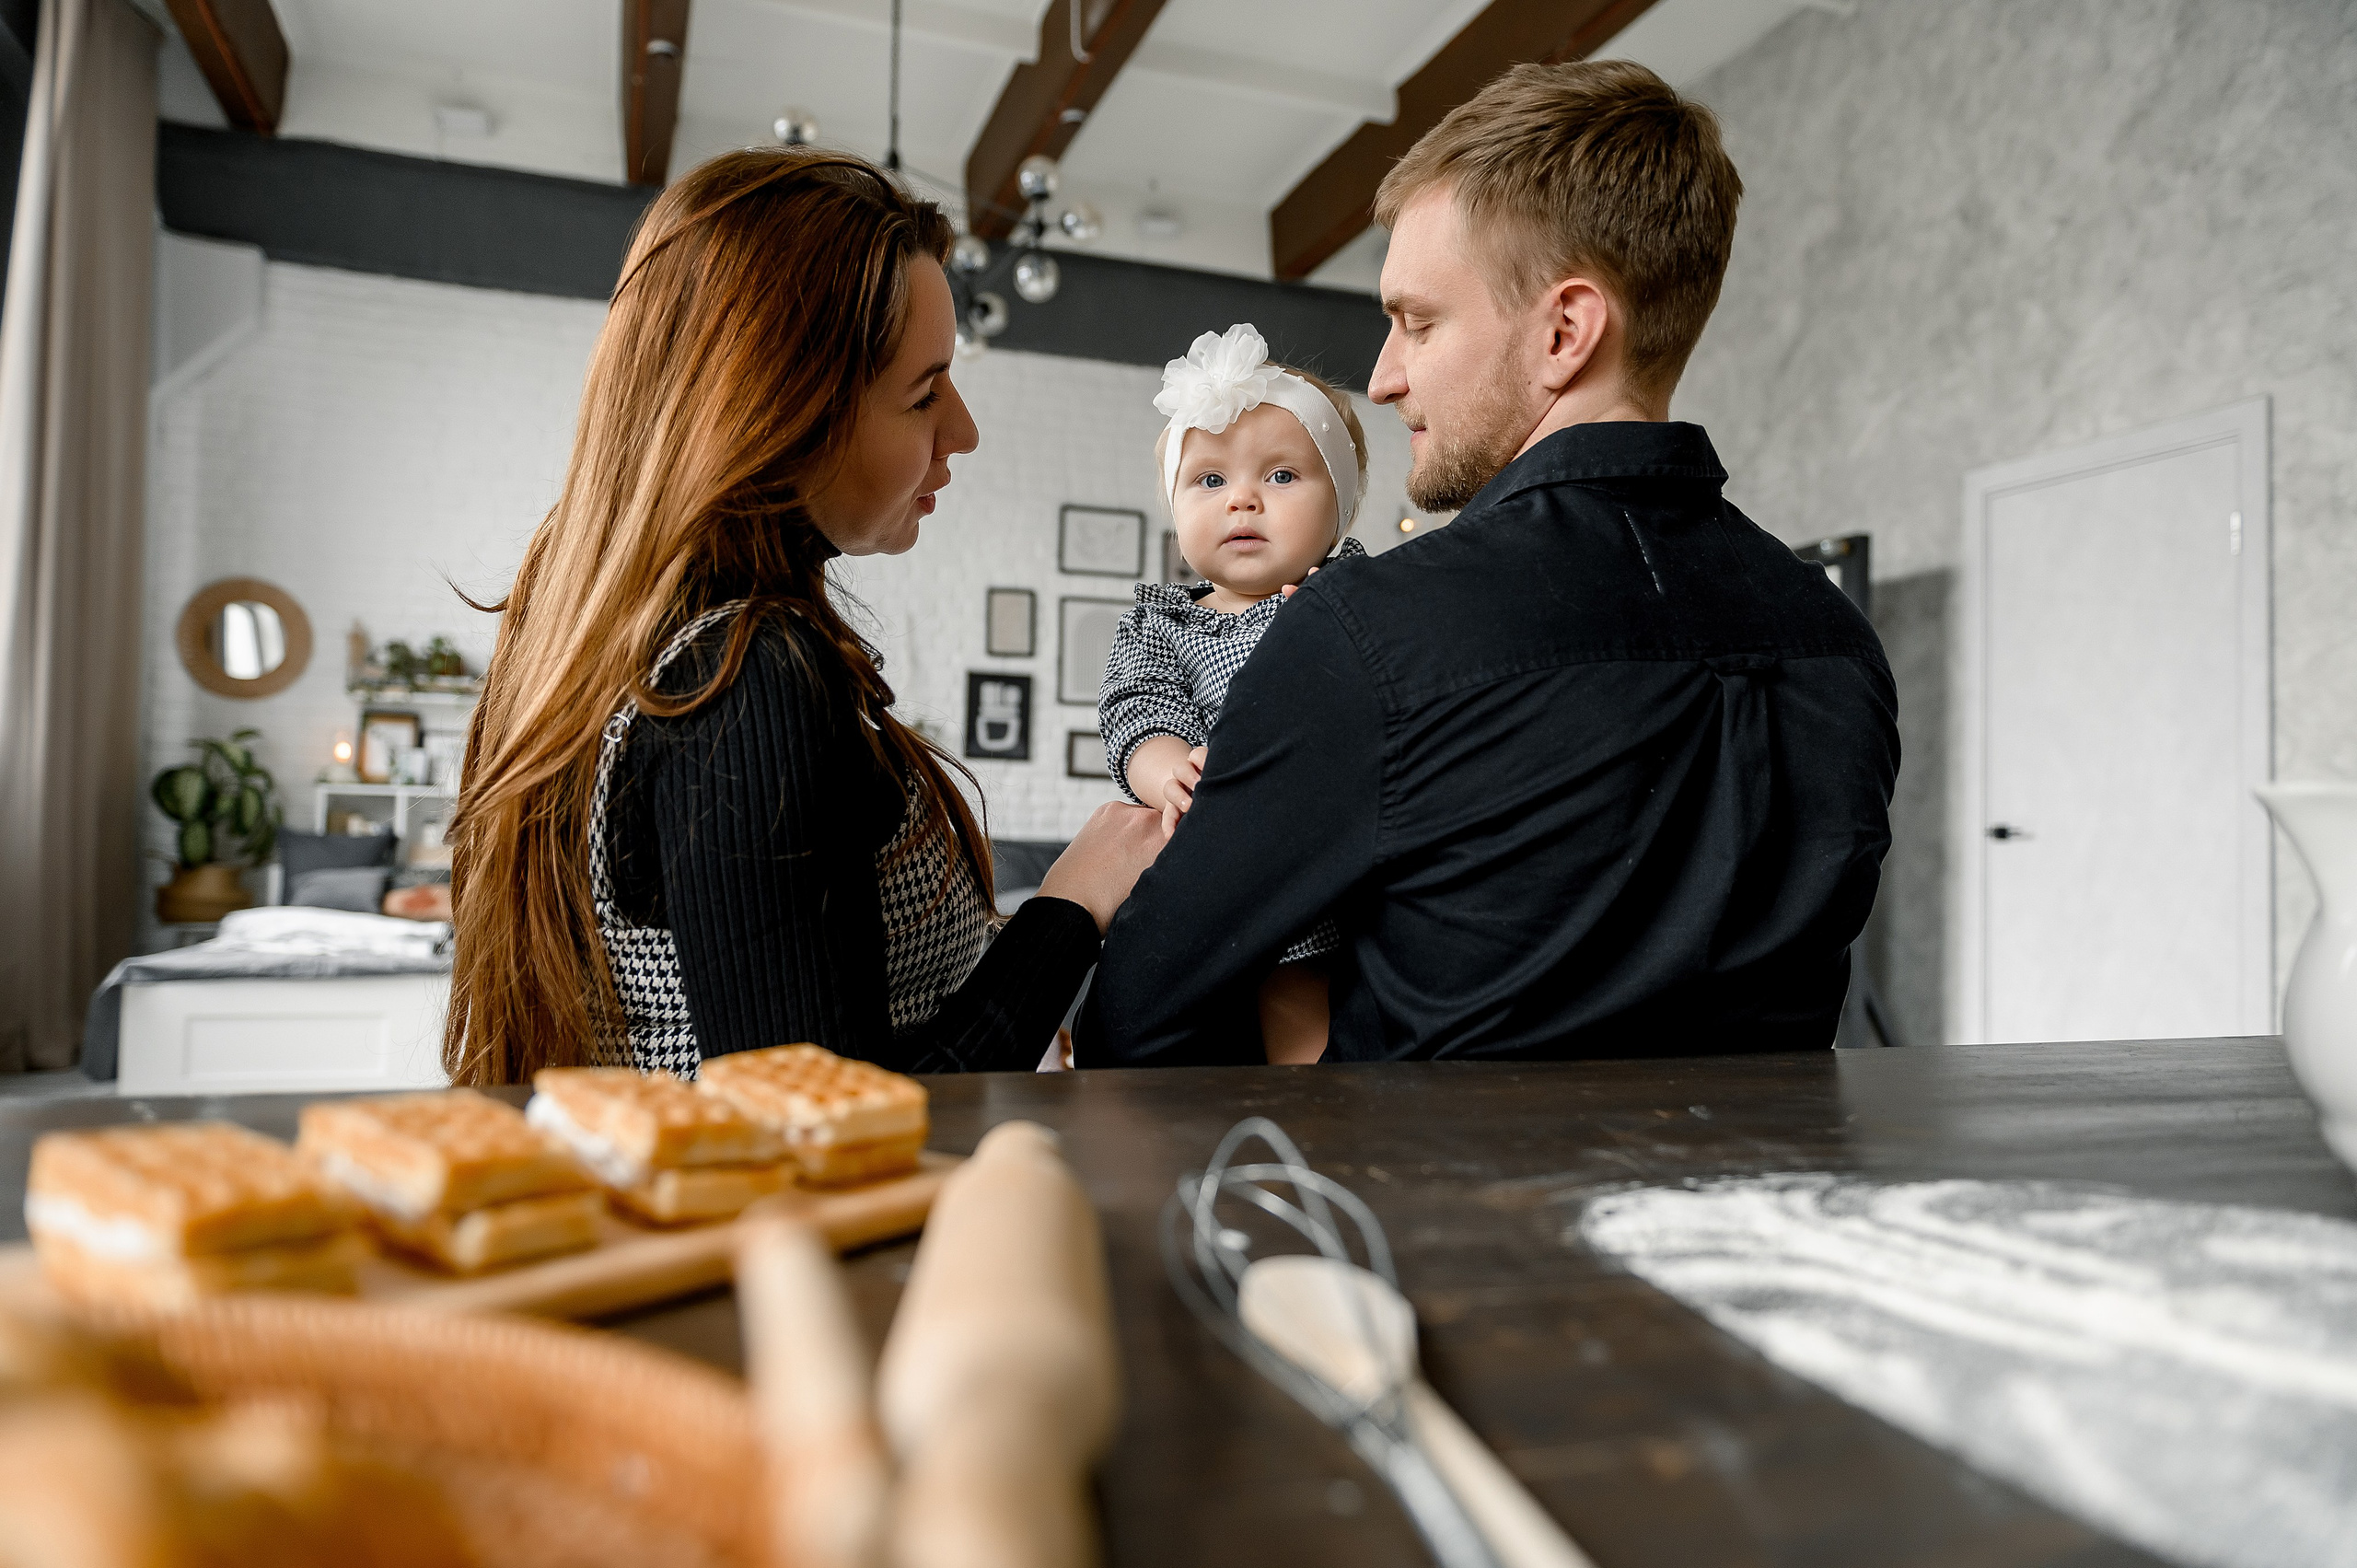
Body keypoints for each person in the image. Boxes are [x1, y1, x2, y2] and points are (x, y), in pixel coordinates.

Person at [1080, 60, 1899, 1066]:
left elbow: (1139, 1018)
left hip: (1429, 1173)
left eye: (1418, 322)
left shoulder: (1367, 631)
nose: (1384, 376)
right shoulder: (1839, 645)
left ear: (1564, 331)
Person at [444, 148, 1164, 1086]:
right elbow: (826, 1124)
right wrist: (1069, 907)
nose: (963, 430)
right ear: (781, 411)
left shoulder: (629, 646)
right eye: (923, 392)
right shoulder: (741, 677)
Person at [1096, 323, 1371, 1063]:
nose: (1242, 499)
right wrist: (1169, 768)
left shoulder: (1351, 598)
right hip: (1213, 856)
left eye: (1280, 476)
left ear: (1340, 503)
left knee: (1306, 1001)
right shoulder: (1162, 624)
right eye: (1210, 481)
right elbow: (1136, 707)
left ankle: (1311, 1100)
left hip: (1335, 855)